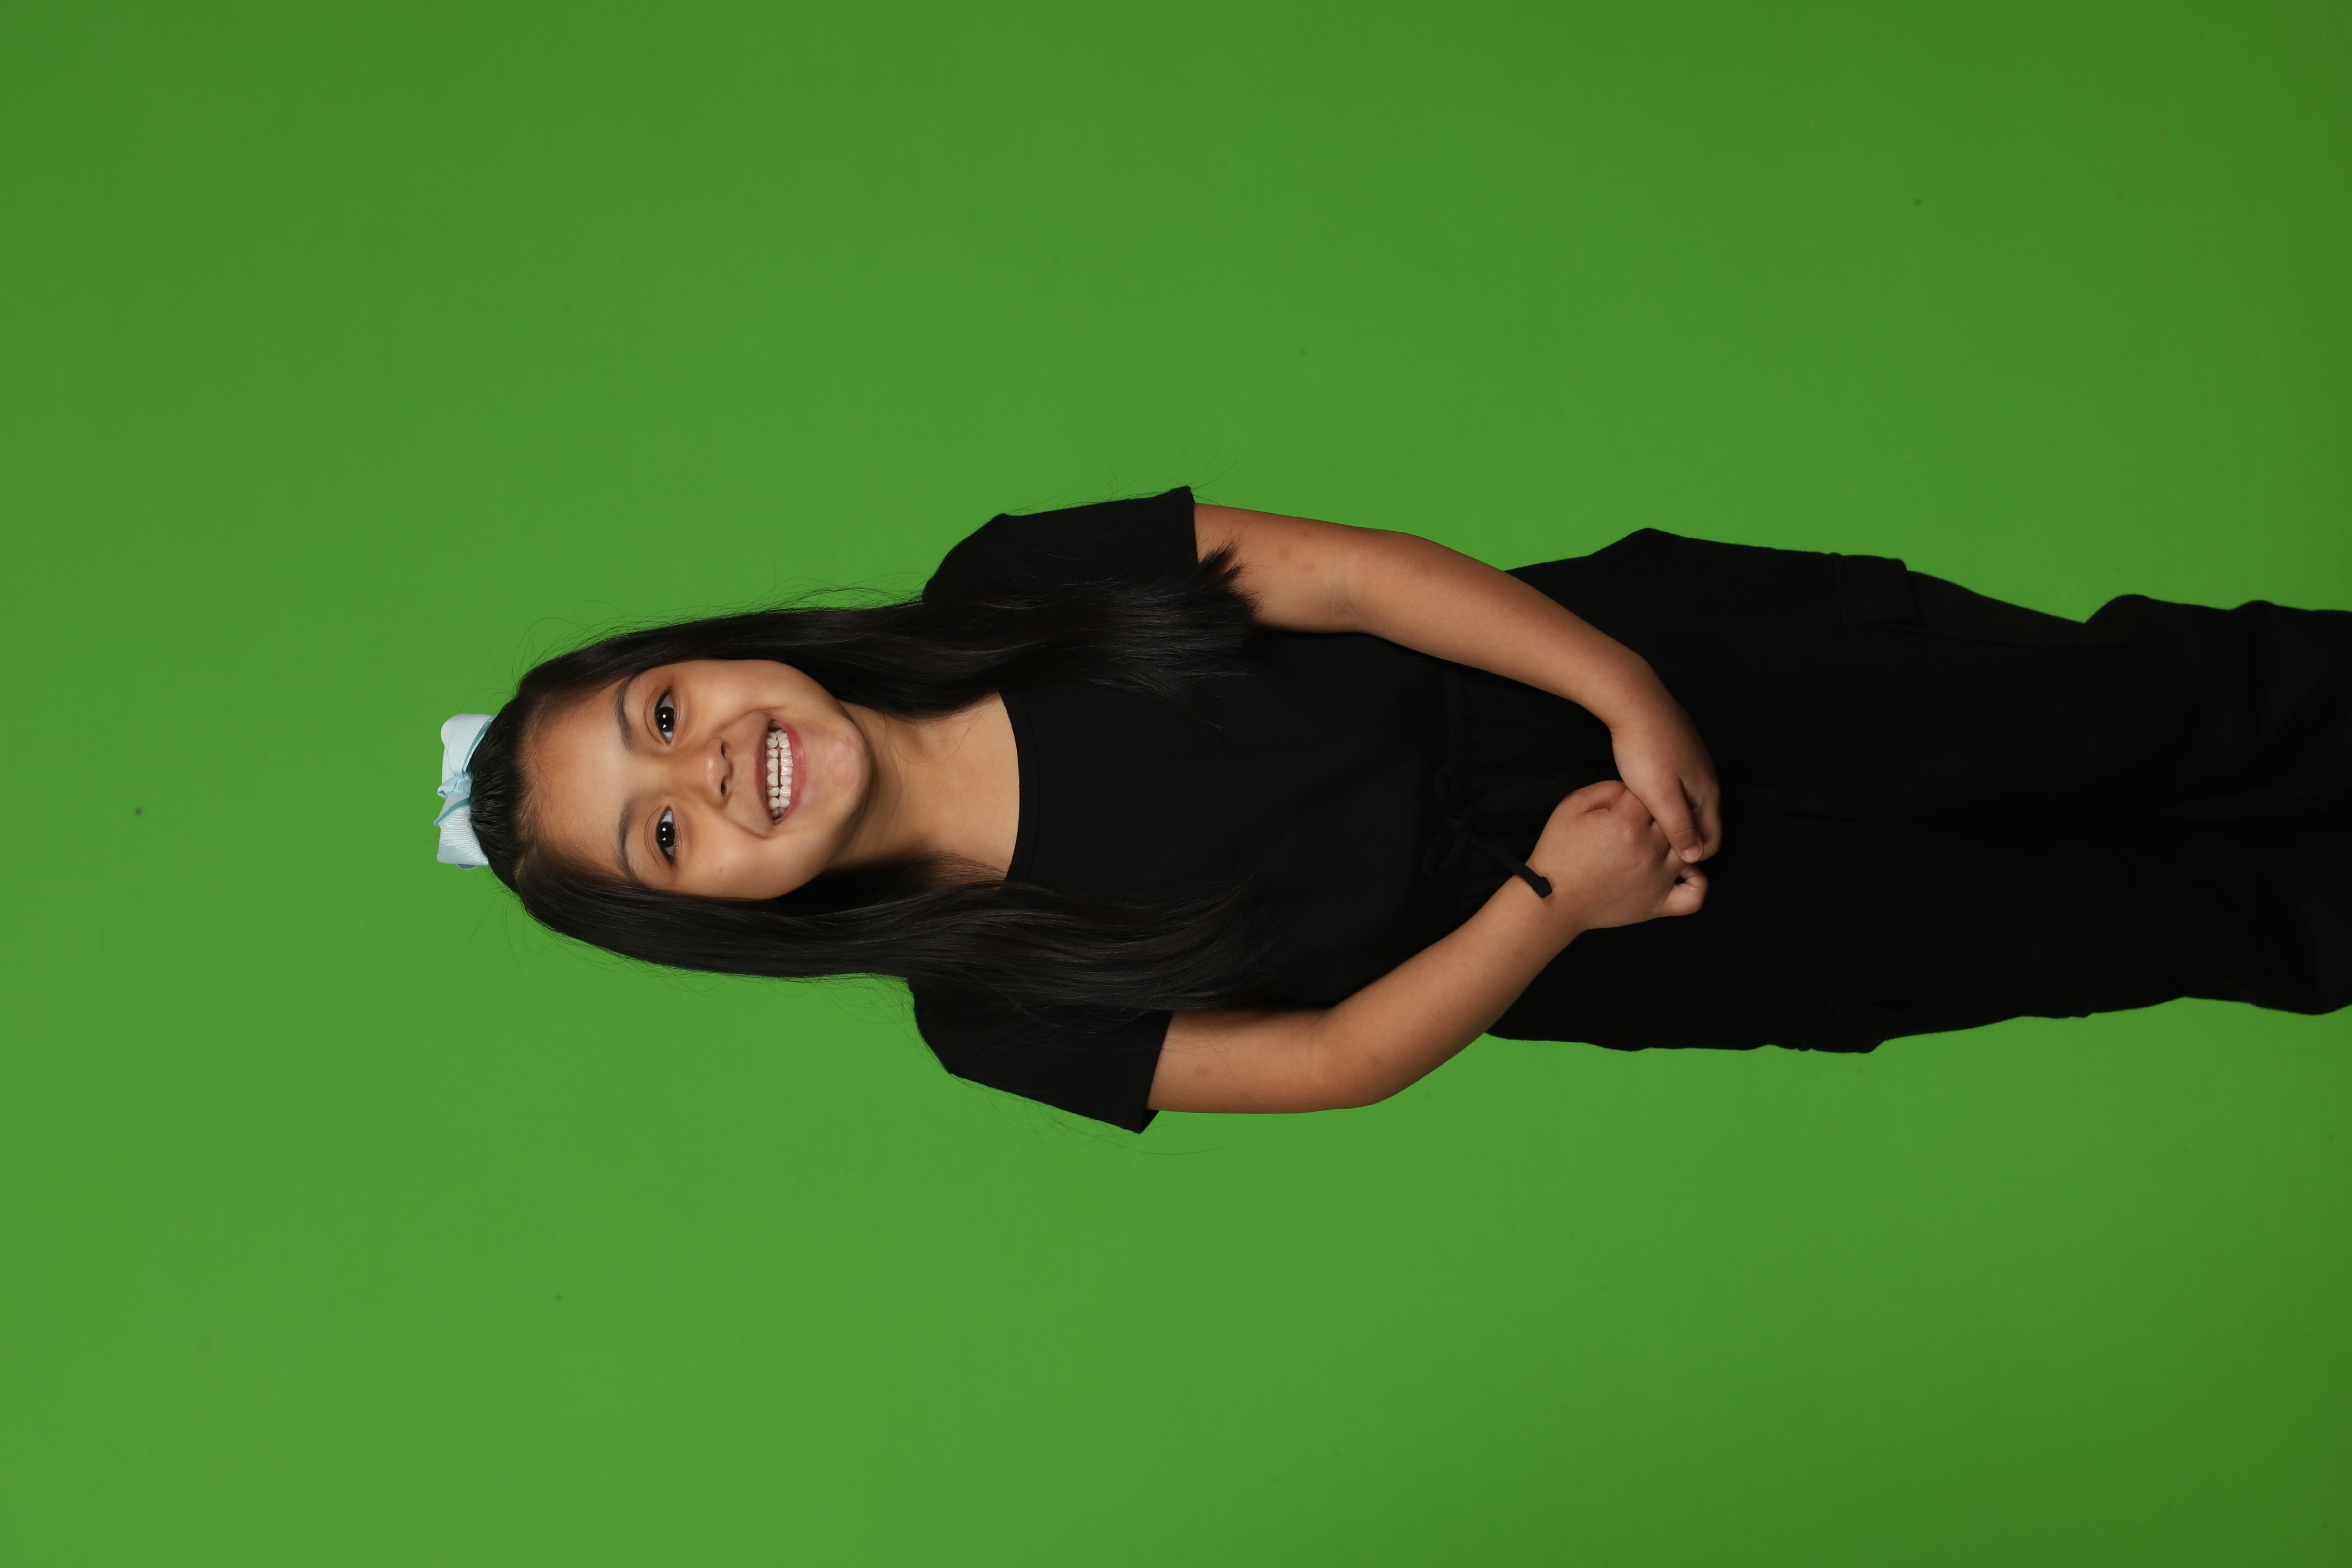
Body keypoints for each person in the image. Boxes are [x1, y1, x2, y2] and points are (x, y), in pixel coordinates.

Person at [434, 487, 2352, 1131]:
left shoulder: (1008, 584)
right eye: (665, 832)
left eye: (662, 716)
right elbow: (1335, 1056)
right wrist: (1558, 898)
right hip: (1620, 920)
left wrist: (1624, 688)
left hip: (1642, 668)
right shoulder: (993, 1008)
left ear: (707, 655)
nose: (708, 769)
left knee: (2128, 713)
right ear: (712, 913)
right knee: (2098, 922)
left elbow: (1349, 579)